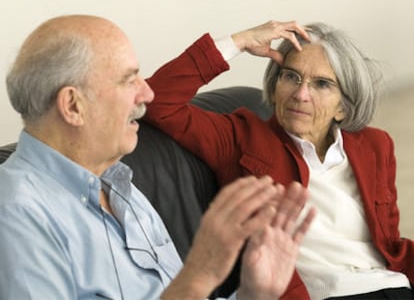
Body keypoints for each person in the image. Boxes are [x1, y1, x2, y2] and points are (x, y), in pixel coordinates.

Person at [0, 15, 317, 300]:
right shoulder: (16, 214)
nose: (147, 94)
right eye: (129, 80)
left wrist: (253, 294)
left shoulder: (119, 184)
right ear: (73, 106)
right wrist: (200, 277)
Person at [143, 20, 414, 299]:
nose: (301, 94)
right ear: (274, 87)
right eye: (291, 77)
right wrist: (239, 42)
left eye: (321, 84)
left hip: (392, 285)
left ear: (343, 108)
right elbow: (155, 102)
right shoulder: (242, 137)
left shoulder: (375, 145)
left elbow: (389, 242)